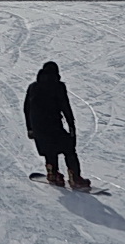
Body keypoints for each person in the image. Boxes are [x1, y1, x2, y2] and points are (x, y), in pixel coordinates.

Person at [23, 61, 91, 190]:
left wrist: (30, 128)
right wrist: (71, 125)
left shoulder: (33, 87)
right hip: (53, 126)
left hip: (38, 128)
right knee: (69, 149)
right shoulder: (58, 86)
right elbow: (65, 106)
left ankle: (52, 174)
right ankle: (74, 177)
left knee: (49, 149)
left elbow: (26, 109)